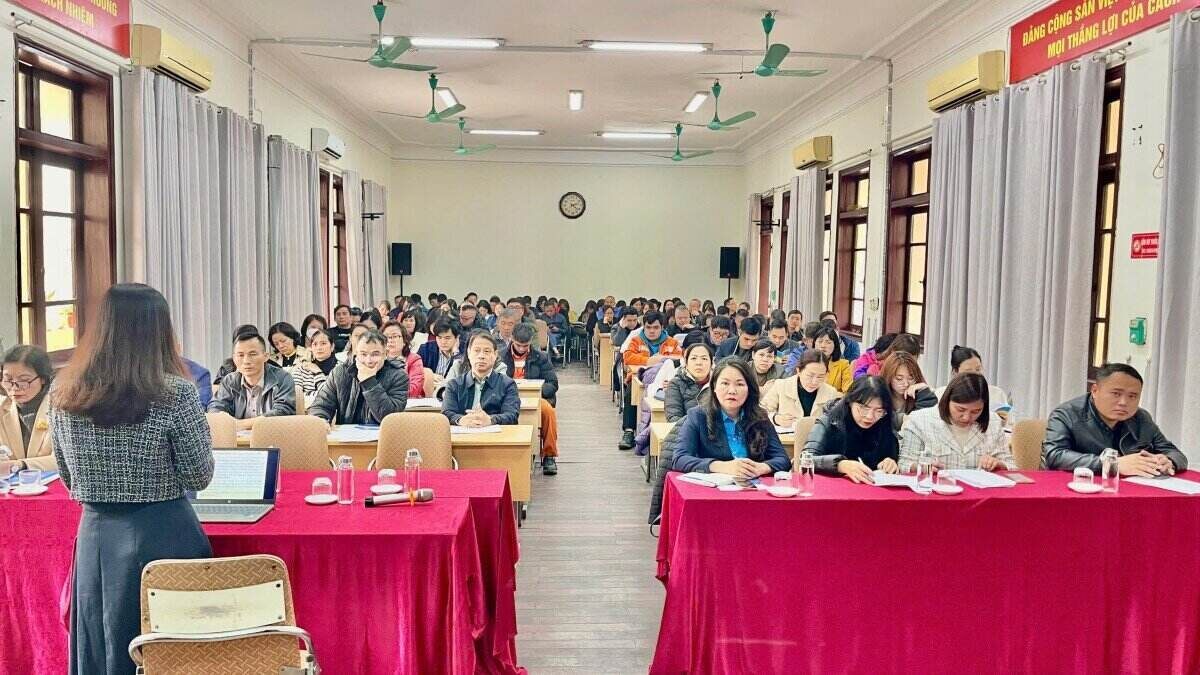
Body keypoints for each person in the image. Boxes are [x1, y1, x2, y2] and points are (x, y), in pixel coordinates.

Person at [49, 283, 214, 675]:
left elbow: (68, 476)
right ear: (160, 329)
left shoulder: (64, 390)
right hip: (165, 531)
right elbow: (199, 474)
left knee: (102, 646)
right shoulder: (175, 393)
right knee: (171, 650)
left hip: (96, 536)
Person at [1043, 363, 1186, 475]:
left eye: (1132, 396)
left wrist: (1169, 461)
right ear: (1094, 391)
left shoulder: (1141, 418)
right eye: (1116, 394)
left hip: (1127, 491)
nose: (1124, 402)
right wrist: (1111, 463)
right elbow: (1055, 455)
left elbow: (1176, 454)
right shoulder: (1066, 414)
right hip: (1077, 489)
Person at [671, 359, 791, 477]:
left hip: (751, 488)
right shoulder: (698, 416)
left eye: (739, 384)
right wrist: (722, 466)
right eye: (725, 383)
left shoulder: (760, 417)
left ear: (749, 389)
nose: (732, 391)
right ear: (714, 387)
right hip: (712, 491)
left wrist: (761, 468)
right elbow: (679, 459)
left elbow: (782, 459)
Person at [899, 373, 1014, 472]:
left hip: (981, 494)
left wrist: (998, 464)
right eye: (960, 410)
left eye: (976, 411)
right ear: (947, 400)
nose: (966, 417)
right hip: (934, 492)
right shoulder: (921, 420)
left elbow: (1012, 466)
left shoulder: (993, 422)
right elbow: (904, 464)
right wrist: (924, 468)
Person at [804, 376, 900, 482]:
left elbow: (891, 456)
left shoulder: (884, 422)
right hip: (833, 489)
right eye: (864, 408)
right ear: (850, 402)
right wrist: (840, 464)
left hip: (872, 491)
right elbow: (806, 459)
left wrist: (890, 462)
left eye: (879, 411)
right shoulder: (829, 421)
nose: (870, 416)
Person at [309, 329, 409, 425]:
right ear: (356, 354)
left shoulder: (398, 376)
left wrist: (369, 382)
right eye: (363, 354)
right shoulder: (340, 372)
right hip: (346, 438)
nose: (368, 360)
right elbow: (321, 405)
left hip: (383, 438)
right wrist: (320, 420)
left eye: (375, 354)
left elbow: (389, 418)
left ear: (385, 355)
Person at [499, 324, 561, 475]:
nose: (521, 349)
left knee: (548, 412)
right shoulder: (500, 356)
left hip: (535, 397)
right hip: (507, 399)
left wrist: (536, 389)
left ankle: (549, 455)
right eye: (519, 345)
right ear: (512, 339)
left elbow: (553, 384)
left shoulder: (541, 357)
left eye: (525, 346)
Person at [620, 311, 684, 448]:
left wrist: (662, 360)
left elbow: (680, 359)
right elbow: (628, 357)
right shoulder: (636, 340)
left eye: (655, 328)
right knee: (631, 391)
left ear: (662, 327)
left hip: (664, 380)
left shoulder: (672, 342)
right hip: (639, 377)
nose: (651, 331)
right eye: (648, 327)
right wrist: (650, 360)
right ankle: (629, 431)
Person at [208, 333, 296, 429]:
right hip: (236, 441)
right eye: (240, 355)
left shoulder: (282, 378)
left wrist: (240, 424)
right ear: (234, 359)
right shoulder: (229, 381)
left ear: (266, 356)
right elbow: (215, 409)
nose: (246, 361)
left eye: (252, 354)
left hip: (272, 438)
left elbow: (283, 413)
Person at [442, 332, 521, 427]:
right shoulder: (454, 384)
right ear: (468, 353)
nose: (481, 356)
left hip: (496, 438)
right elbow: (446, 413)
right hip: (463, 437)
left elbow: (512, 415)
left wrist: (490, 420)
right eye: (476, 351)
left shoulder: (507, 384)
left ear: (495, 355)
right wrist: (461, 420)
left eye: (487, 351)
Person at [0, 344, 57, 472]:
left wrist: (20, 465)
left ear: (42, 378)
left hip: (54, 487)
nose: (14, 388)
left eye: (24, 380)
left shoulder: (61, 409)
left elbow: (63, 459)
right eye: (8, 380)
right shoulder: (2, 408)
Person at [761, 349, 839, 427]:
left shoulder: (831, 392)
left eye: (820, 377)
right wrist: (775, 418)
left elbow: (838, 420)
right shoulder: (781, 385)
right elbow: (761, 412)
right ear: (799, 371)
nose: (814, 382)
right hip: (786, 437)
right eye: (810, 375)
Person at [933, 346, 1013, 421]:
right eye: (968, 371)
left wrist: (1002, 419)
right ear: (955, 372)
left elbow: (1009, 424)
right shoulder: (941, 393)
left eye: (978, 369)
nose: (975, 375)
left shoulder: (997, 393)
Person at [880, 351, 937, 430]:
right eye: (899, 379)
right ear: (888, 377)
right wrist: (902, 419)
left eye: (911, 378)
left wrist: (923, 391)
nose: (906, 384)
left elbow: (925, 423)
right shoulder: (879, 396)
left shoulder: (921, 394)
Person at [664, 342, 713, 422]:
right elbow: (673, 418)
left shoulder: (719, 384)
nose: (699, 363)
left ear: (711, 363)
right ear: (686, 363)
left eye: (704, 359)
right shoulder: (675, 384)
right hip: (686, 432)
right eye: (694, 358)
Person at [383, 321, 425, 399]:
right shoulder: (378, 360)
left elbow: (415, 389)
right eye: (386, 337)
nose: (390, 340)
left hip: (407, 406)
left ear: (404, 341)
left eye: (395, 336)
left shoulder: (414, 359)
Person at [808, 325, 853, 393]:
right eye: (820, 342)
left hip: (834, 402)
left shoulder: (843, 365)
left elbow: (848, 392)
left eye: (828, 342)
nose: (823, 346)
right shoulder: (807, 363)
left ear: (835, 345)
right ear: (814, 344)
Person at [417, 320, 460, 387]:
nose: (443, 342)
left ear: (457, 338)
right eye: (439, 338)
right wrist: (430, 375)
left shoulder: (463, 352)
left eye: (447, 338)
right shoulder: (425, 349)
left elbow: (461, 375)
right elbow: (414, 370)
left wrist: (456, 354)